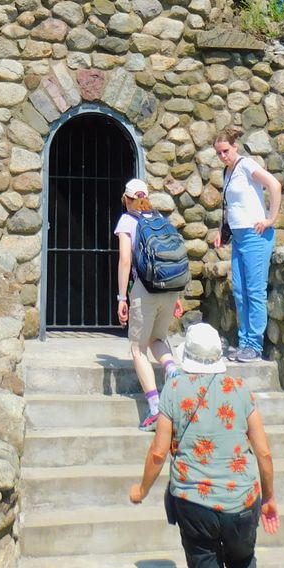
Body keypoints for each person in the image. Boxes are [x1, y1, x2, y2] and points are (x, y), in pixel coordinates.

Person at [128, 321, 279, 568]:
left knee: (204, 563)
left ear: (186, 356)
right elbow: (263, 452)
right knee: (243, 561)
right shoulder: (241, 389)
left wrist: (141, 490)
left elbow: (158, 453)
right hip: (241, 504)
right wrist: (268, 498)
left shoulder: (174, 390)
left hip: (194, 505)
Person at [115, 178, 184, 428]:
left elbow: (125, 260)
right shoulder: (159, 220)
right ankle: (174, 374)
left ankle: (155, 407)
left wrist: (122, 297)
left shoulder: (127, 220)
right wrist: (178, 296)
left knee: (137, 348)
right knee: (158, 339)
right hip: (169, 290)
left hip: (144, 290)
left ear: (127, 198)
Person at [213, 126, 282, 363]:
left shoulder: (246, 165)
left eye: (225, 151)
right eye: (219, 153)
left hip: (256, 235)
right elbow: (232, 206)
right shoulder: (227, 172)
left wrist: (270, 219)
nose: (223, 156)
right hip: (239, 237)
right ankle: (244, 343)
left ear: (235, 147)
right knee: (240, 292)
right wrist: (222, 232)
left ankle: (255, 344)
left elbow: (275, 185)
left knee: (254, 291)